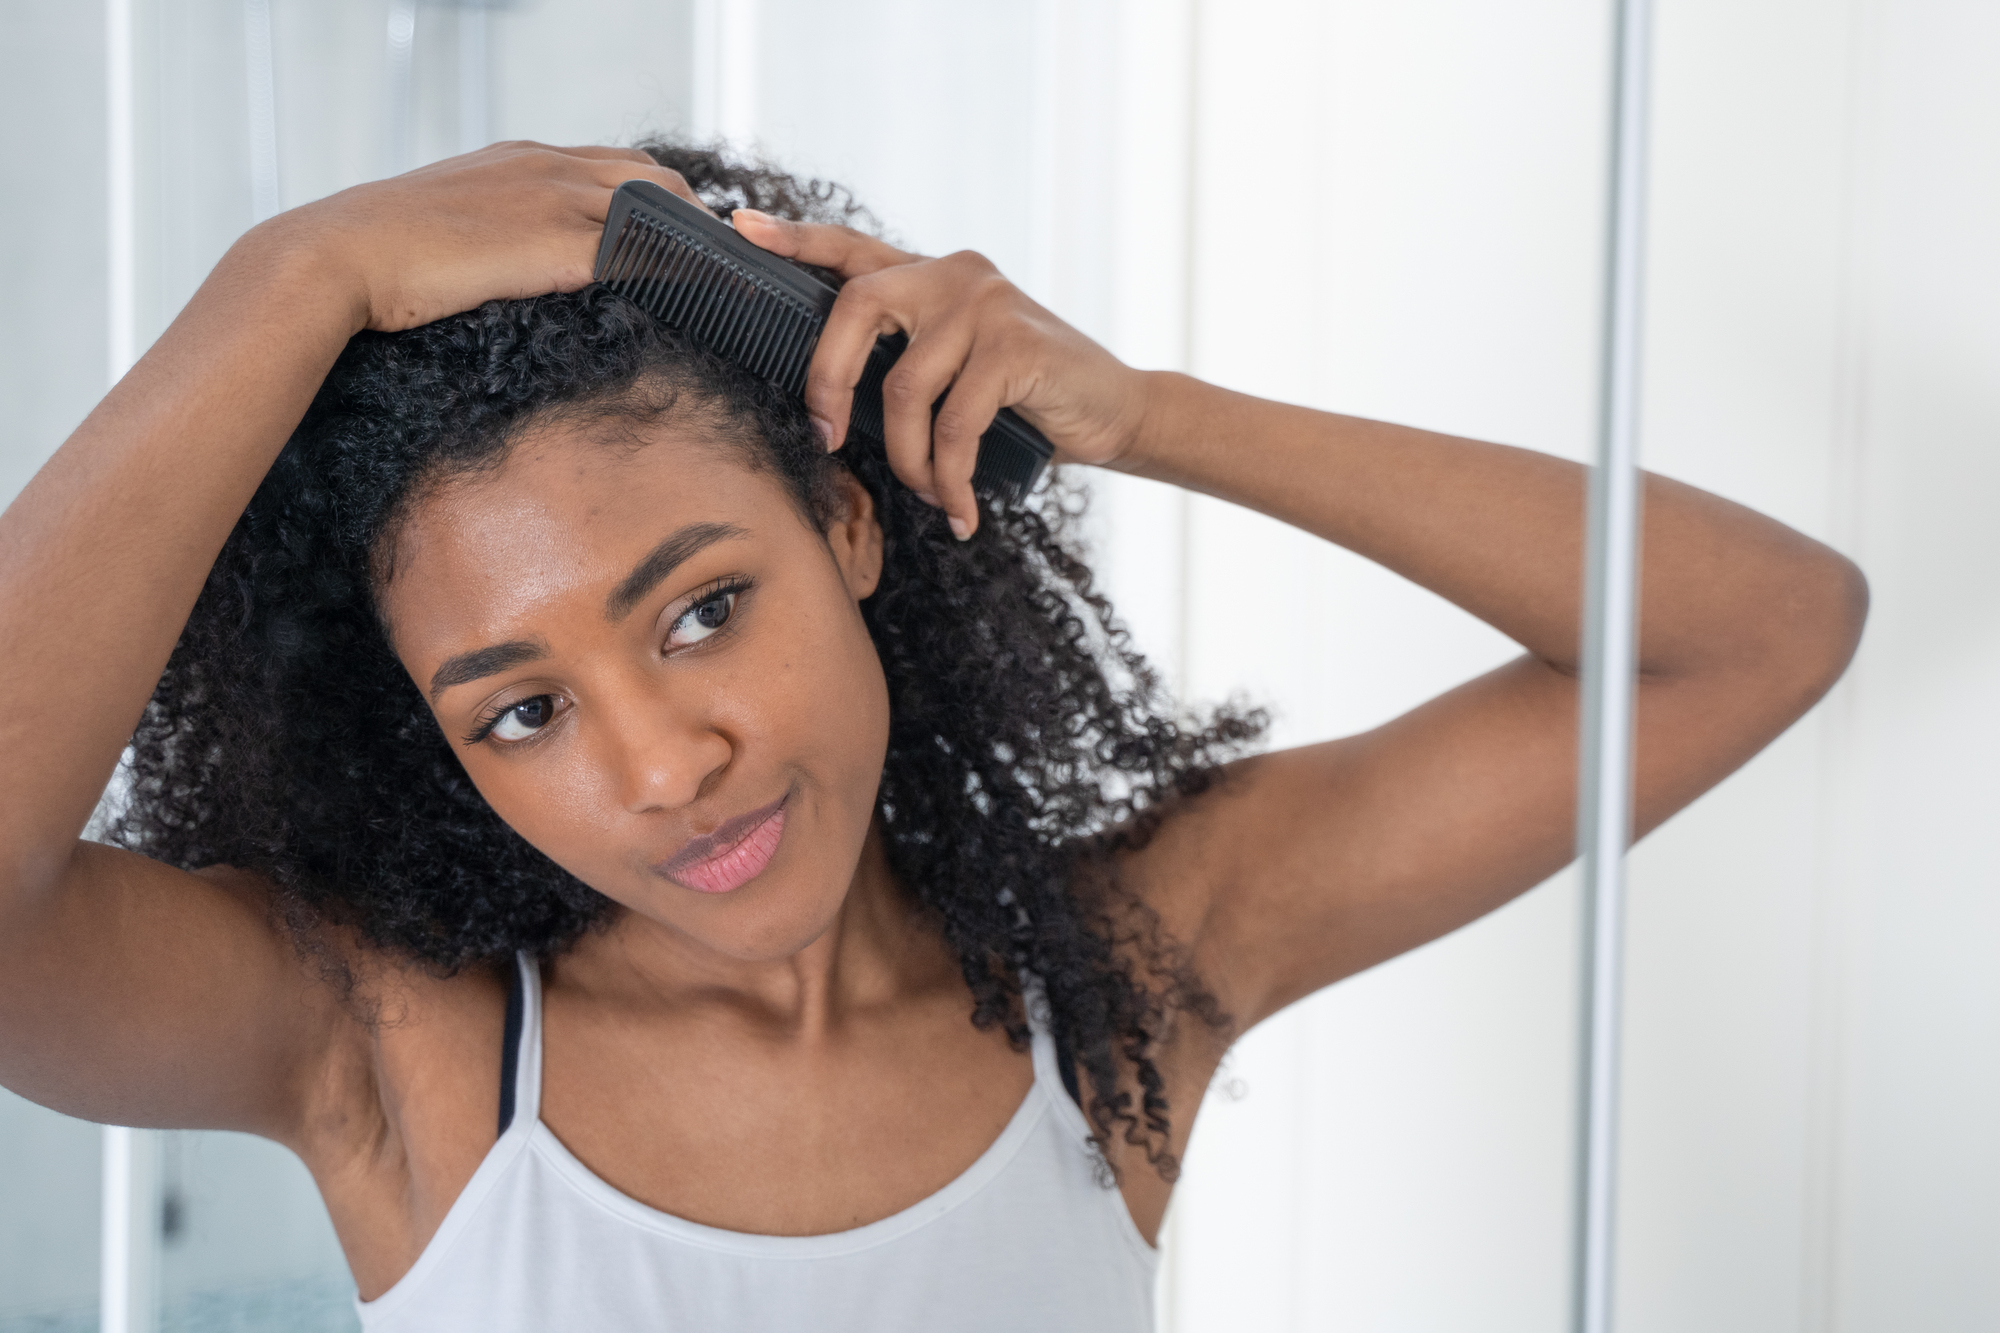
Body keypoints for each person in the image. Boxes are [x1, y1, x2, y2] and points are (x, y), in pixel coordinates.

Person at [0, 141, 1865, 1330]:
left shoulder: (1125, 975)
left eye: (704, 607)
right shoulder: (392, 1048)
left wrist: (1141, 412)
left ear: (855, 521)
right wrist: (286, 283)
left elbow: (1760, 631)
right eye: (527, 709)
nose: (664, 765)